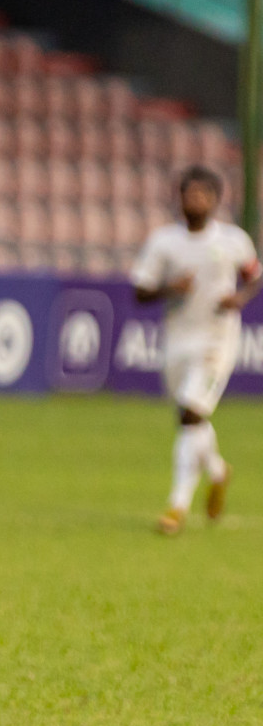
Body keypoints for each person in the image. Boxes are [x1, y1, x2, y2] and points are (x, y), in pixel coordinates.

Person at [131, 165, 261, 535]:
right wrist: (171, 287)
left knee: (190, 413)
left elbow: (254, 275)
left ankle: (177, 507)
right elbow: (140, 291)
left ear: (216, 201)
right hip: (177, 340)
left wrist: (240, 297)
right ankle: (218, 471)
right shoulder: (163, 242)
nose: (196, 201)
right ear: (180, 198)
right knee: (192, 418)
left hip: (217, 339)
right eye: (190, 194)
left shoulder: (233, 241)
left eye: (203, 195)